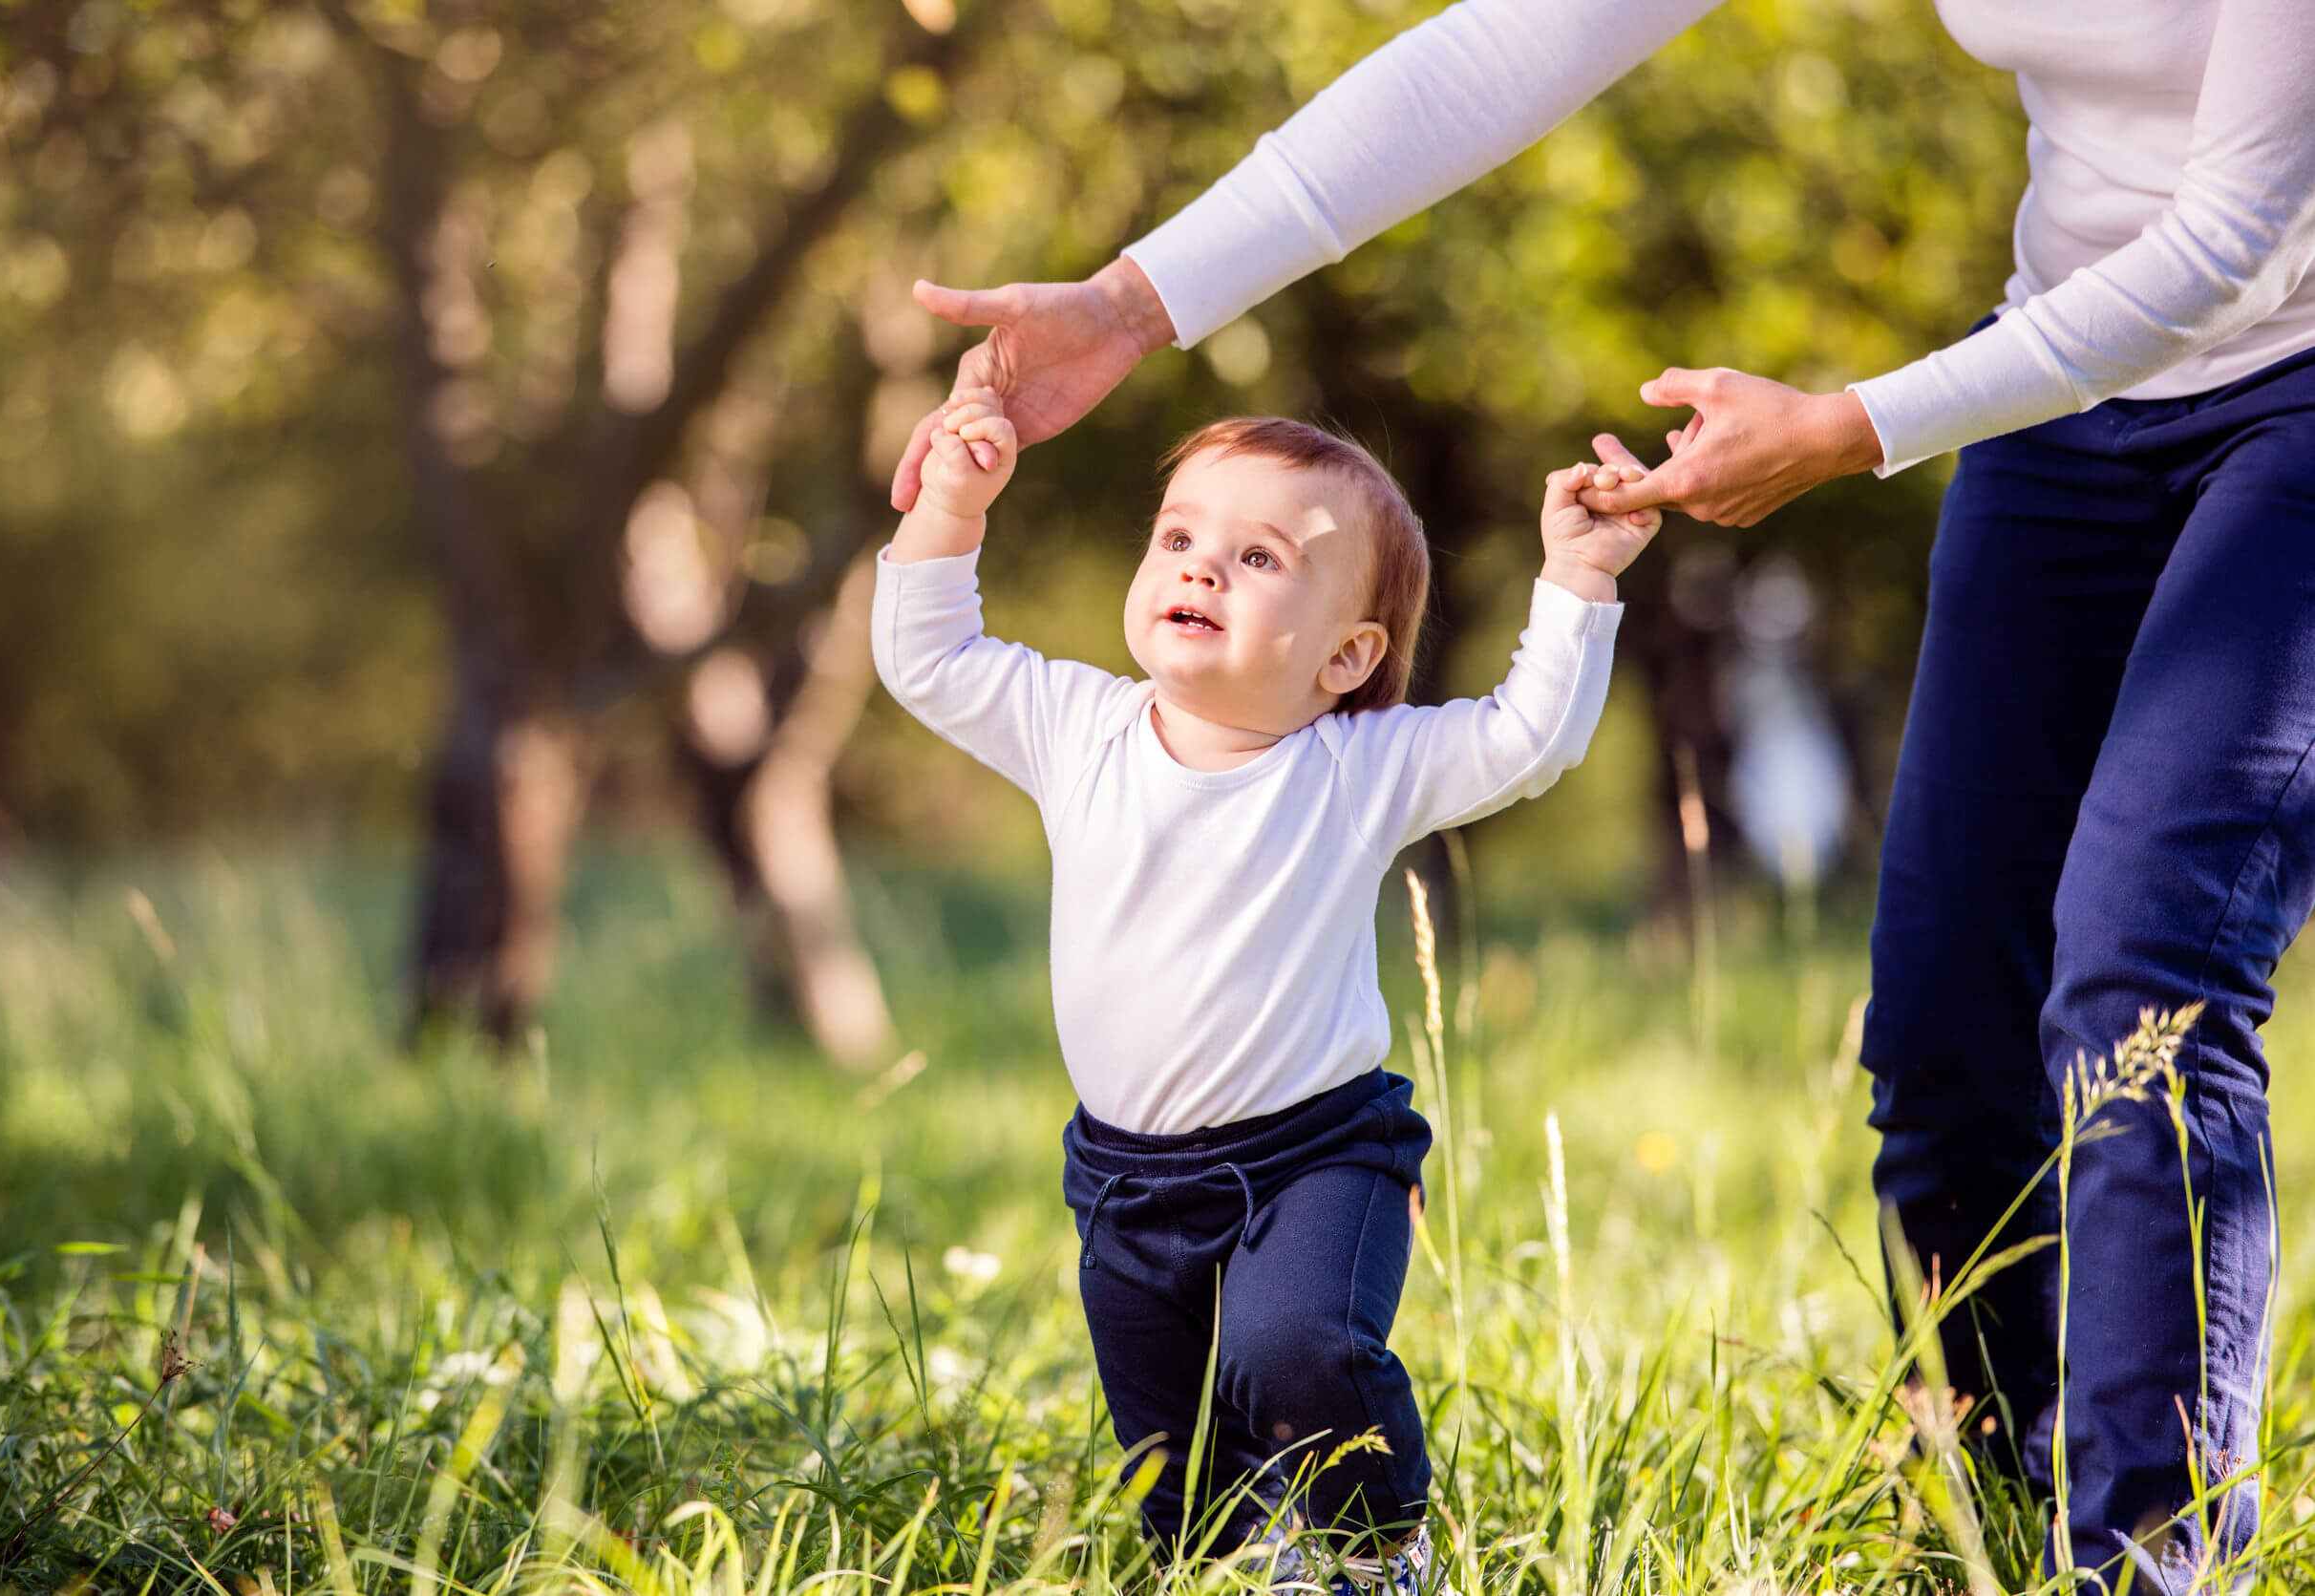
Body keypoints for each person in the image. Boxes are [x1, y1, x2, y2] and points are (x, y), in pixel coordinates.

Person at [884, 5, 2315, 1591]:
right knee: (1944, 1021)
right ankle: (1983, 1530)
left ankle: (2144, 1563)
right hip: (2064, 389)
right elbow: (1517, 41)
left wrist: (1855, 427)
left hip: (2297, 388)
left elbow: (2233, 235)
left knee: (2143, 970)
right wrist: (1131, 303)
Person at [873, 387, 1660, 1589]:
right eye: (1179, 538)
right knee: (1178, 1485)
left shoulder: (1354, 768)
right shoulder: (1074, 727)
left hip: (1315, 1157)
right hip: (1126, 1182)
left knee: (1300, 1354)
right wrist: (949, 504)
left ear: (1345, 656)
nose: (1199, 570)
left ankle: (1372, 1550)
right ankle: (1249, 1564)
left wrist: (1577, 582)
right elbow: (924, 655)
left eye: (1257, 558)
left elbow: (1523, 741)